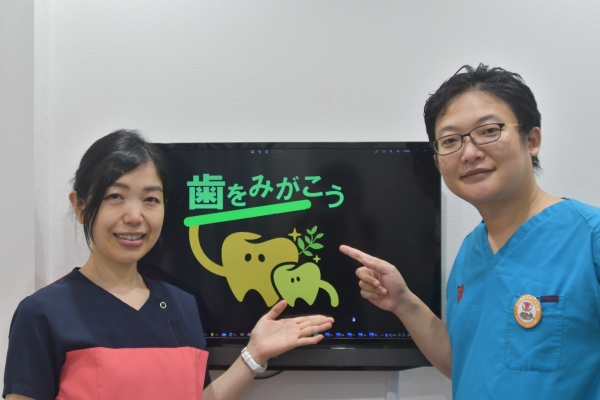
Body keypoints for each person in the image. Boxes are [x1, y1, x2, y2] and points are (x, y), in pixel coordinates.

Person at [3, 130, 334, 400]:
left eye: (151, 199)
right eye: (115, 196)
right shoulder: (43, 313)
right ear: (80, 206)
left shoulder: (183, 306)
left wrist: (254, 354)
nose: (135, 217)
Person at [341, 64, 600, 399]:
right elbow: (463, 362)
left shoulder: (589, 238)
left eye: (489, 131)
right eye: (450, 140)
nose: (469, 153)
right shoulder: (471, 252)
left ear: (532, 140)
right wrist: (404, 303)